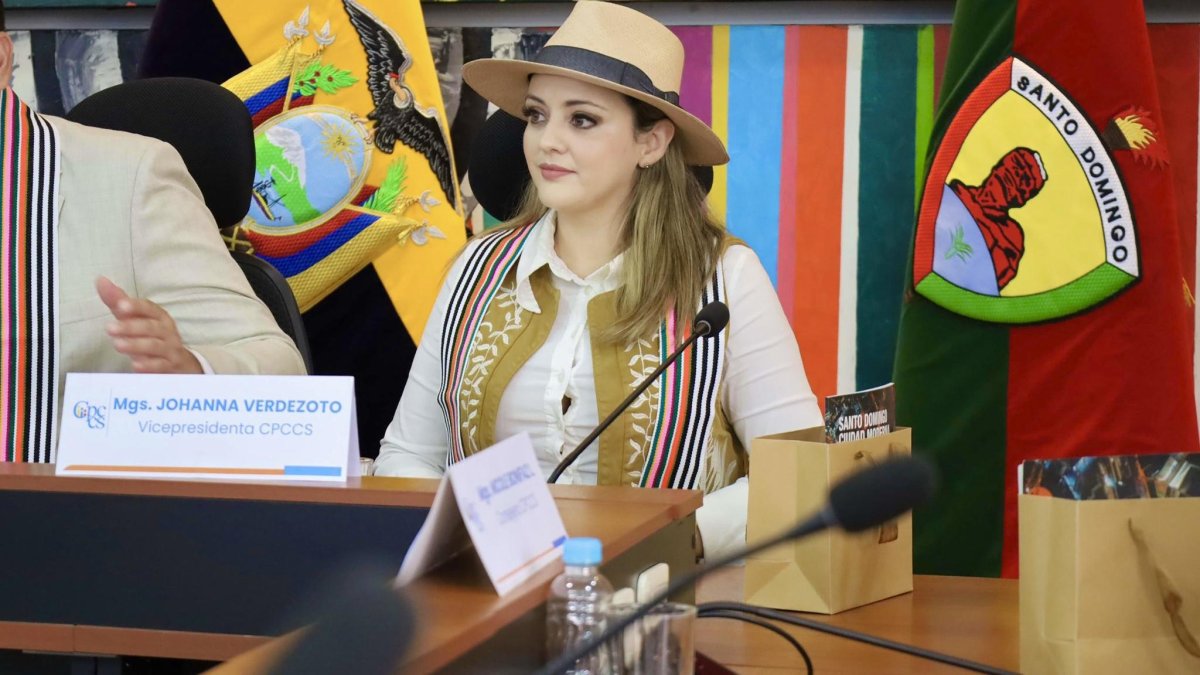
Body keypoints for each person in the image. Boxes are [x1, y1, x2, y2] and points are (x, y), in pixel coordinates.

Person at [374, 1, 821, 558]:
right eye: (537, 115)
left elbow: (801, 475)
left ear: (651, 143)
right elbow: (406, 455)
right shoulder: (474, 270)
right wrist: (457, 544)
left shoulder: (724, 278)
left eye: (581, 119)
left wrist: (666, 541)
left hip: (663, 607)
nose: (547, 141)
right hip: (486, 600)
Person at [0, 3, 306, 464]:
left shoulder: (128, 175)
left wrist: (190, 373)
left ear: (2, 58)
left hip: (64, 521)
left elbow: (282, 371)